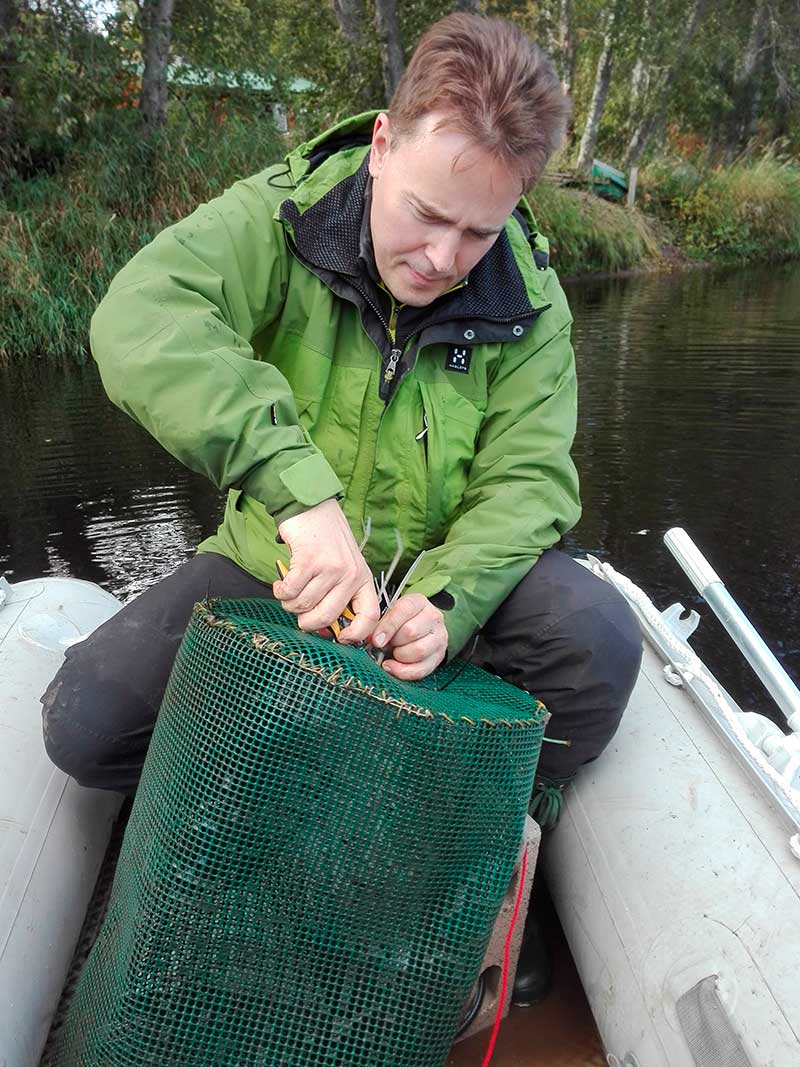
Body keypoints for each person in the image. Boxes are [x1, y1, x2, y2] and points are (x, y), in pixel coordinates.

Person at [40, 13, 642, 1006]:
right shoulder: (274, 215)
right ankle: (312, 812)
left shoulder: (530, 298)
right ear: (380, 144)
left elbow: (528, 480)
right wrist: (296, 492)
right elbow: (140, 316)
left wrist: (447, 600)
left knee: (591, 641)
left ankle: (461, 854)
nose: (445, 256)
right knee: (88, 726)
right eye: (424, 213)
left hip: (438, 574)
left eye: (478, 230)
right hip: (274, 555)